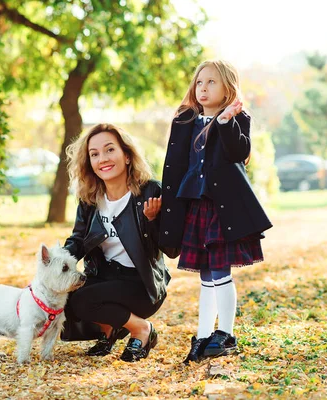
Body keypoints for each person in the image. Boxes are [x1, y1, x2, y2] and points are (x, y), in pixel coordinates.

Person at [158, 60, 273, 363]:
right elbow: (175, 164)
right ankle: (203, 334)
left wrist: (225, 122)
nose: (204, 88)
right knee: (206, 276)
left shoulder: (236, 120)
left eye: (211, 82)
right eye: (199, 83)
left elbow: (238, 152)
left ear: (227, 89)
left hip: (220, 209)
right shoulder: (186, 122)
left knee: (220, 272)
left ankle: (227, 334)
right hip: (195, 206)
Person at [62, 123, 176, 362]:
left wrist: (154, 220)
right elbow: (78, 240)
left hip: (141, 284)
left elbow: (172, 250)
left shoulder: (150, 191)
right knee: (66, 297)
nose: (102, 158)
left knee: (83, 300)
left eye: (109, 150)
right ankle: (109, 329)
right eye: (94, 154)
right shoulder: (89, 197)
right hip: (104, 278)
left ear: (126, 155)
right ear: (89, 163)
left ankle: (142, 329)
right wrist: (55, 263)